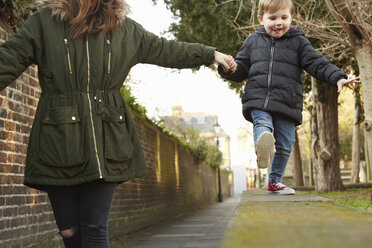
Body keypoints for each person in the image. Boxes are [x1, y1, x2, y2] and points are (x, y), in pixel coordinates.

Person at [0, 0, 233, 247]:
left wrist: (210, 54)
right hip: (59, 141)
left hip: (107, 141)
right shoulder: (43, 23)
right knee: (69, 231)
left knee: (94, 228)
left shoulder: (124, 28)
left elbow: (166, 49)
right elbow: (9, 58)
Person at [219, 0, 360, 195]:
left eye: (284, 18)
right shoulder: (252, 41)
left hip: (287, 101)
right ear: (261, 19)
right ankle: (262, 145)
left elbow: (316, 62)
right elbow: (240, 68)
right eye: (272, 18)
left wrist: (338, 77)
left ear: (291, 18)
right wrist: (228, 68)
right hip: (258, 97)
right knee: (263, 122)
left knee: (285, 144)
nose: (279, 23)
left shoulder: (298, 42)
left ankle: (274, 181)